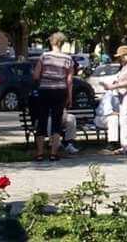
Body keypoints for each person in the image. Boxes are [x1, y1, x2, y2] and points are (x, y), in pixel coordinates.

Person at [31, 32, 73, 162]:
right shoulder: (68, 59)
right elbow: (69, 80)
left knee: (42, 120)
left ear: (51, 42)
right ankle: (54, 154)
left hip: (45, 91)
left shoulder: (44, 57)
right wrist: (69, 96)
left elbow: (36, 76)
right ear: (62, 43)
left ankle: (39, 153)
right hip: (60, 92)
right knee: (56, 122)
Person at [101, 45, 127, 154]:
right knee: (124, 121)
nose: (120, 59)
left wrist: (113, 86)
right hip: (123, 96)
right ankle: (125, 146)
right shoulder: (124, 67)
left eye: (121, 56)